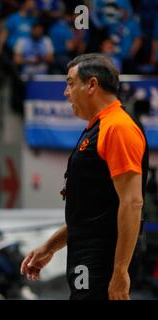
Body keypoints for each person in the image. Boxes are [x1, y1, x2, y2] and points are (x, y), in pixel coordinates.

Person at [20, 53, 149, 300]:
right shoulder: (97, 128)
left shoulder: (118, 127)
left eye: (70, 83)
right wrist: (50, 246)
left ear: (91, 84)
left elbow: (132, 203)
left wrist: (120, 270)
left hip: (103, 260)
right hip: (87, 254)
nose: (66, 92)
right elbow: (93, 214)